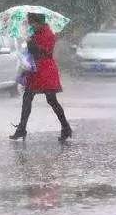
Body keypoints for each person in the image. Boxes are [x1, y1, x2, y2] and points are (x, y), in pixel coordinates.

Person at [10, 13, 72, 142]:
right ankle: (22, 128)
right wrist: (28, 39)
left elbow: (41, 51)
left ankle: (66, 127)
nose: (31, 25)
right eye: (30, 23)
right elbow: (32, 50)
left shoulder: (48, 34)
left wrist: (30, 41)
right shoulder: (36, 33)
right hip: (35, 69)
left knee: (51, 100)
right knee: (27, 97)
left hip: (45, 70)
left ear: (39, 22)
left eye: (32, 22)